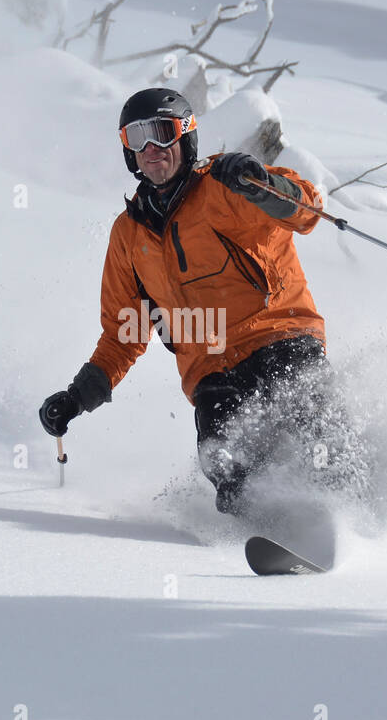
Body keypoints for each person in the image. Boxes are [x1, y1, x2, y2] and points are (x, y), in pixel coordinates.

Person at [39, 87, 366, 515]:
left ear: (186, 136)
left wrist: (261, 183)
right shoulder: (129, 235)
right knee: (222, 458)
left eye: (161, 133)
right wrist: (77, 397)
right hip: (211, 370)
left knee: (314, 421)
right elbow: (125, 334)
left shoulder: (225, 189)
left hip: (279, 338)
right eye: (136, 139)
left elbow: (305, 212)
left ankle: (352, 512)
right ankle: (266, 527)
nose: (151, 149)